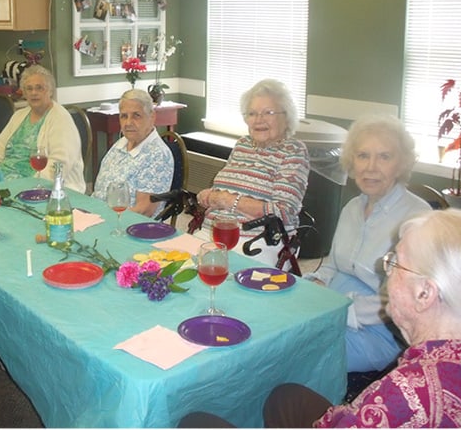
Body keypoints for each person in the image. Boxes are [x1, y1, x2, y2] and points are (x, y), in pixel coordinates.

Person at [180, 208, 461, 428]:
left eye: (395, 263)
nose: (386, 271)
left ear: (425, 293)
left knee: (194, 422)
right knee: (285, 398)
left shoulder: (407, 391)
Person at [305, 114, 430, 373]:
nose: (370, 167)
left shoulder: (417, 218)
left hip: (379, 330)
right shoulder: (352, 207)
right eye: (362, 155)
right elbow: (335, 264)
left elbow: (404, 299)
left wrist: (340, 312)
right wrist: (315, 283)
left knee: (302, 355)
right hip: (333, 307)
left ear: (401, 164)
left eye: (384, 157)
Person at [195, 79, 309, 264]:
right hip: (214, 232)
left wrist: (227, 200)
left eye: (268, 112)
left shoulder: (293, 151)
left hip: (257, 241)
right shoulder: (242, 144)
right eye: (252, 113)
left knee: (210, 273)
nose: (258, 120)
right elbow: (223, 189)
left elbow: (284, 212)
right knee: (173, 263)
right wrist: (210, 196)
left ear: (286, 116)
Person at [0, 65, 85, 193]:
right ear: (24, 93)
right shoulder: (19, 115)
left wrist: (30, 186)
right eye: (29, 89)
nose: (34, 93)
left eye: (39, 88)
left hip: (40, 187)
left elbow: (58, 165)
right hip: (4, 182)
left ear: (50, 91)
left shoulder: (60, 119)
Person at [92, 89, 173, 217]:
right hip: (98, 216)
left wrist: (102, 219)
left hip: (127, 227)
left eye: (136, 115)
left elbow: (143, 211)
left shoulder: (157, 155)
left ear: (152, 117)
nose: (128, 123)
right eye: (124, 116)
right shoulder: (120, 145)